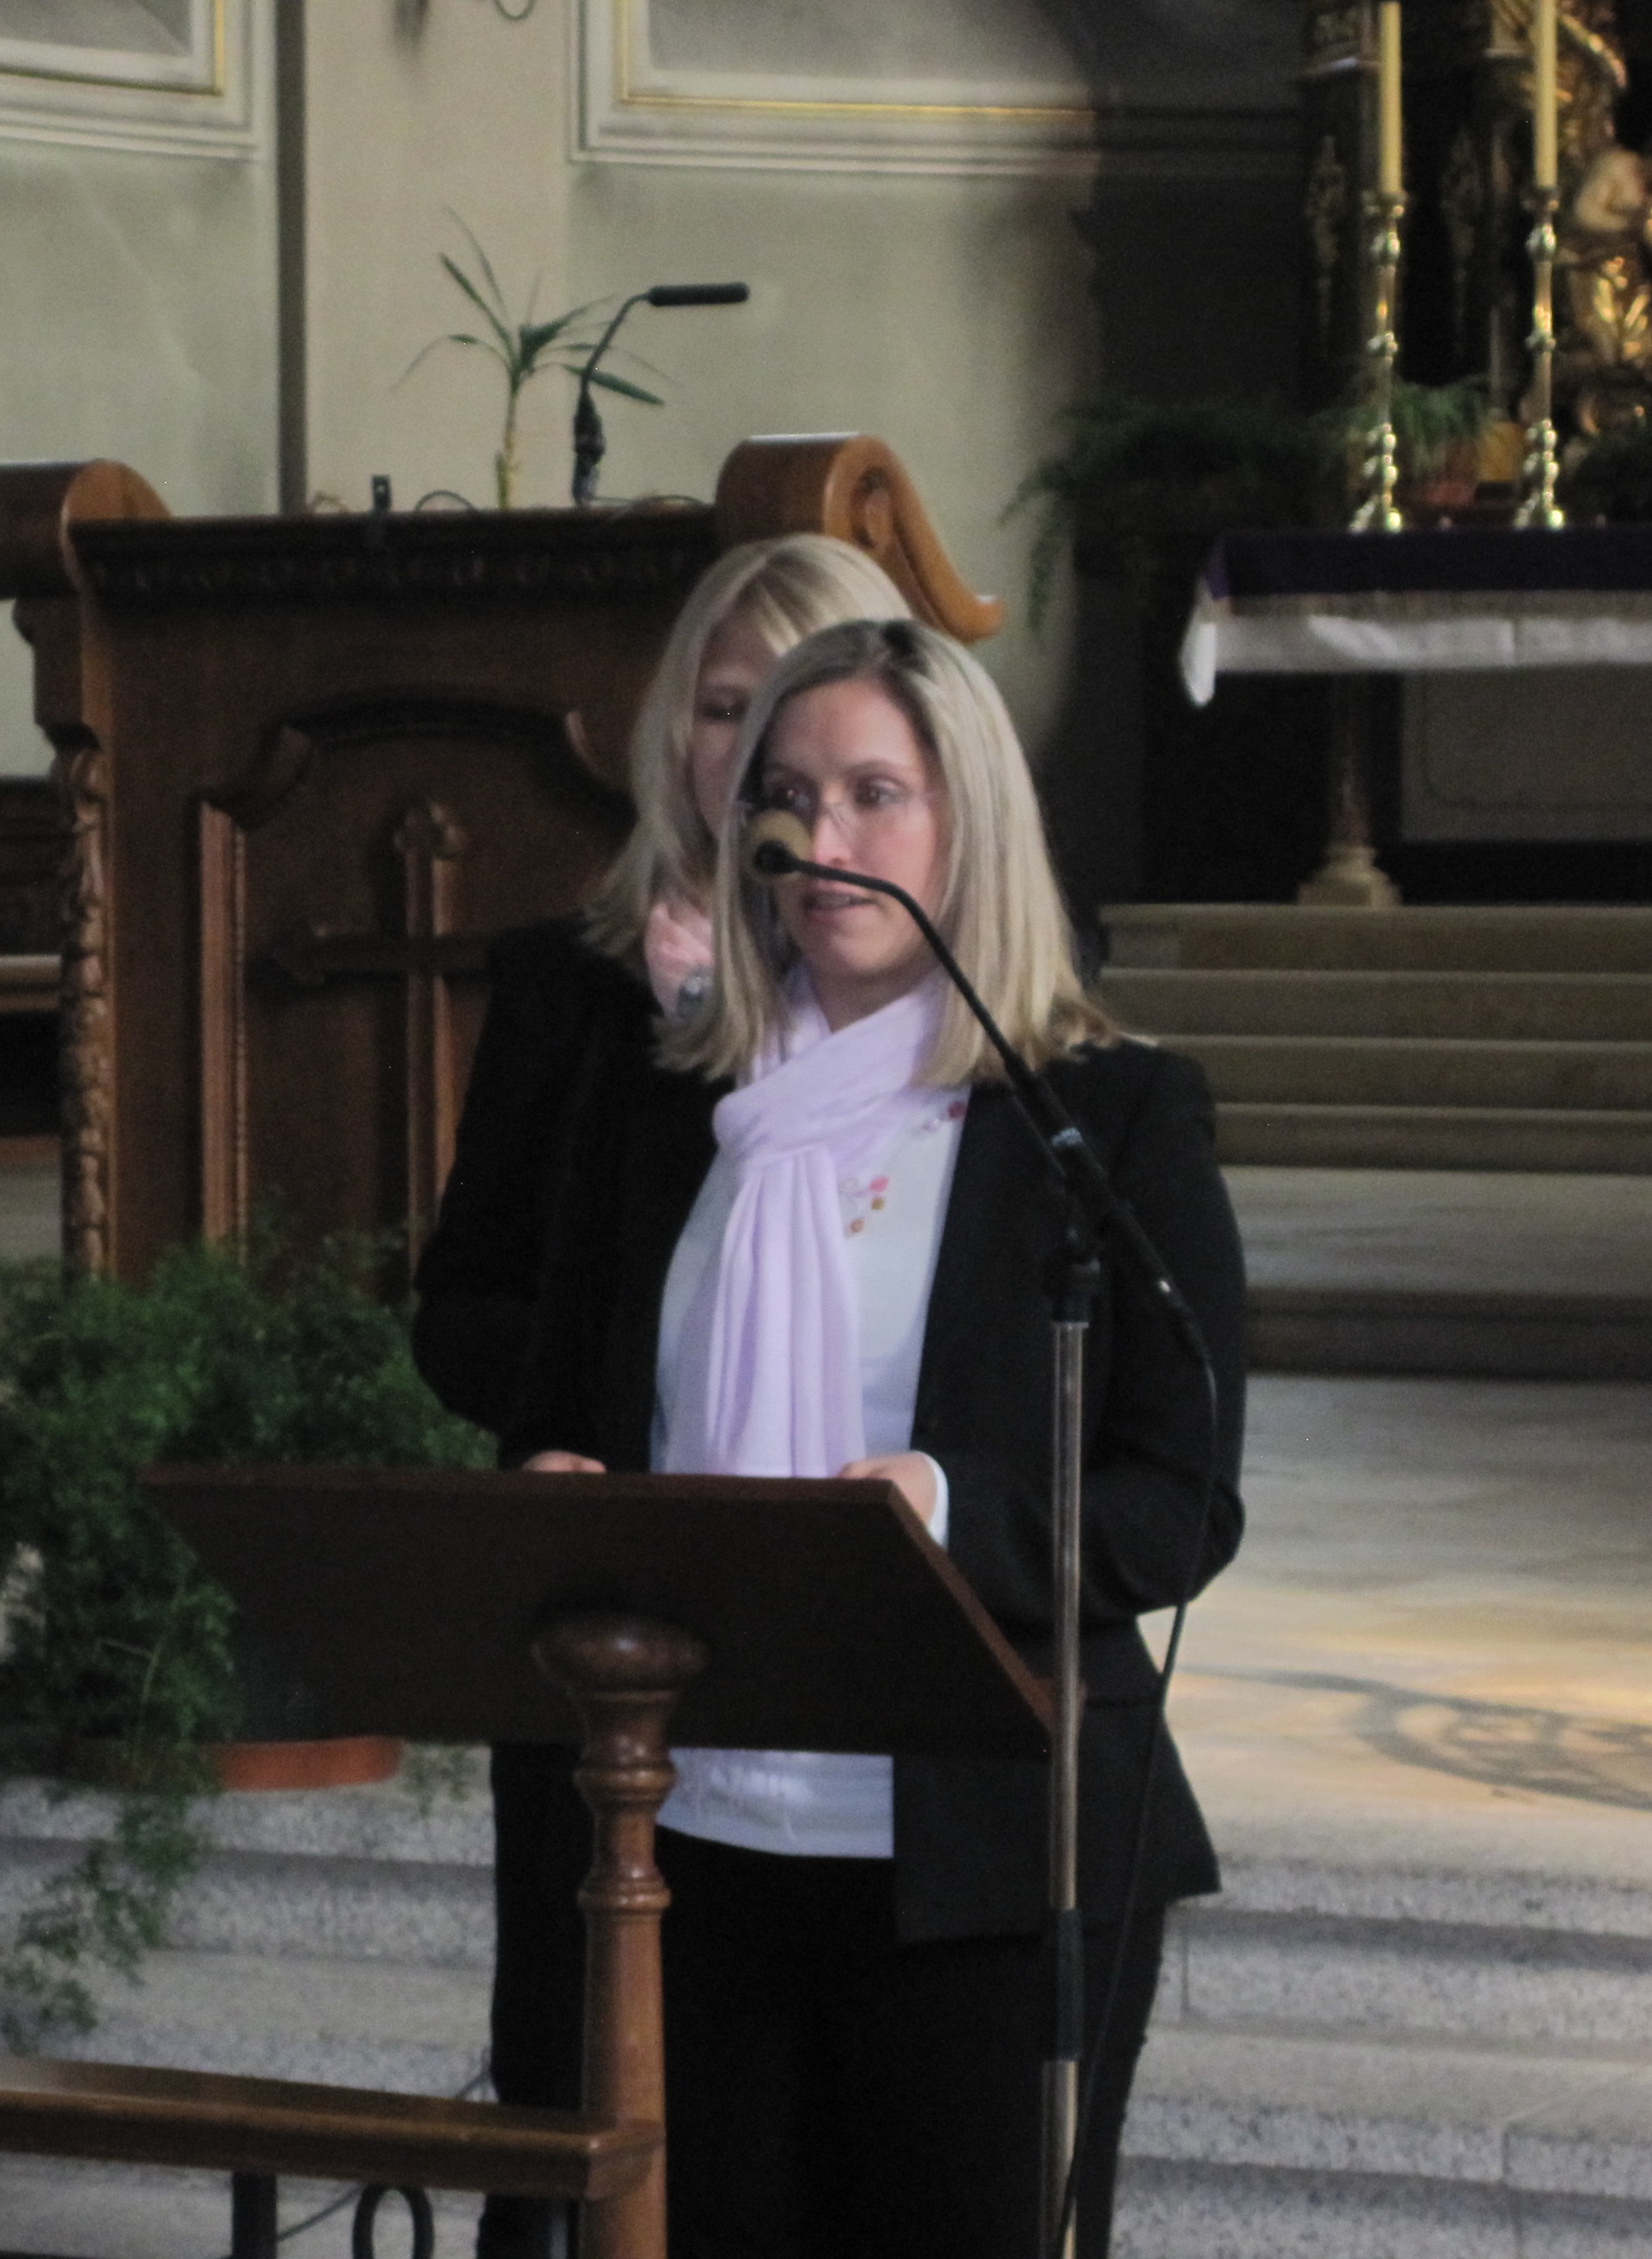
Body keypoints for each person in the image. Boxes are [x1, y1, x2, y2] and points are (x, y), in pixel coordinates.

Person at [508, 618, 1245, 2258]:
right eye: (784, 795)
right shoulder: (668, 1107)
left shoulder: (1103, 1116)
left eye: (872, 794)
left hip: (988, 1855)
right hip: (687, 1836)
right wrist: (563, 1502)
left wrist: (949, 1507)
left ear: (968, 819)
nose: (816, 837)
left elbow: (1182, 1499)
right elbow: (558, 1413)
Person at [408, 535, 909, 2259]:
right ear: (668, 733)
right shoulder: (576, 983)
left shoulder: (928, 1004)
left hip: (828, 1622)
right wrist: (591, 1408)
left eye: (793, 711)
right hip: (609, 1605)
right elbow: (460, 1307)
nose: (748, 753)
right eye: (722, 709)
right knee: (575, 2087)